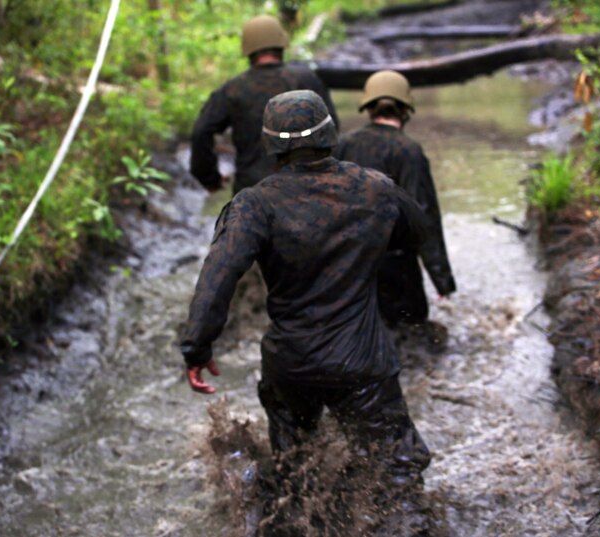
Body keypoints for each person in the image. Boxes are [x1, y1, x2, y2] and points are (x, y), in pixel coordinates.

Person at [181, 90, 431, 492]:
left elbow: (218, 275)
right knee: (397, 471)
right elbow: (417, 230)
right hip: (362, 362)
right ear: (330, 133)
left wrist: (197, 347)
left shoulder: (253, 205)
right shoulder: (375, 189)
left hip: (291, 367)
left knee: (295, 474)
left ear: (269, 143)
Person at [334, 71, 456, 351]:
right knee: (410, 346)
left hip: (348, 267)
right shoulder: (409, 151)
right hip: (397, 270)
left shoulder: (343, 145)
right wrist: (442, 280)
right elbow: (423, 218)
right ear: (405, 110)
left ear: (368, 108)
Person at [189, 14, 339, 195]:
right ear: (281, 45)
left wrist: (210, 178)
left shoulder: (233, 89)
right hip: (308, 190)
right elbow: (332, 128)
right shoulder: (306, 79)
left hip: (253, 193)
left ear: (248, 50)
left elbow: (201, 132)